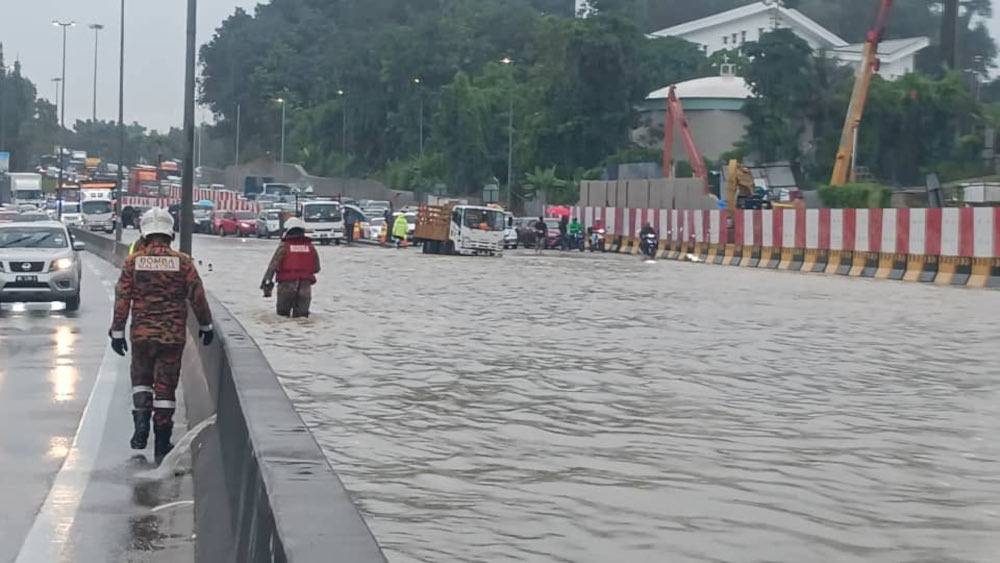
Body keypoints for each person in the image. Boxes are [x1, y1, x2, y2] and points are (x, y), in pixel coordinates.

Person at [109, 208, 214, 464]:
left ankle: (141, 423)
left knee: (141, 380)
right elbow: (198, 298)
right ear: (170, 233)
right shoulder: (183, 262)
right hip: (172, 336)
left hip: (141, 335)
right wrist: (206, 325)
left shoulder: (133, 261)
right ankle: (162, 440)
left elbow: (123, 298)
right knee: (166, 389)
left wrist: (117, 331)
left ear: (144, 233)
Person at [261, 217, 320, 318]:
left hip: (286, 286)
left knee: (282, 317)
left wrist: (266, 283)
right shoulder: (311, 247)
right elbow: (317, 268)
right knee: (302, 318)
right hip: (305, 287)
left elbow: (273, 266)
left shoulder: (284, 246)